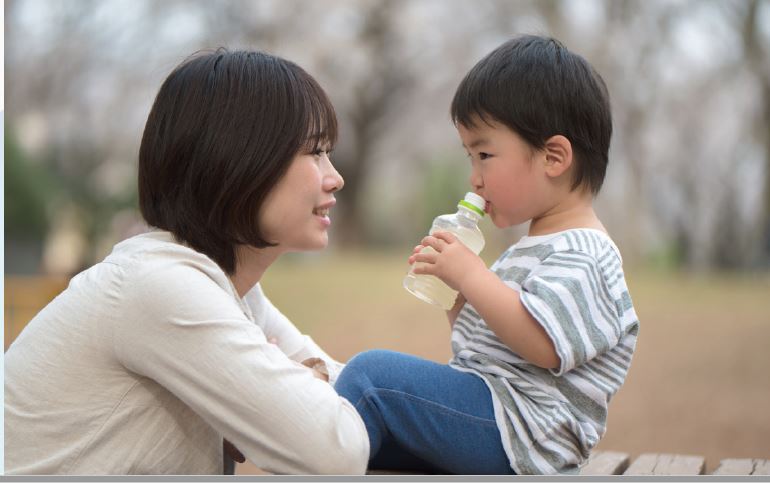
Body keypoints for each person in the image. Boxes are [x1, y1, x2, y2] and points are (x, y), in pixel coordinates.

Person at [4, 49, 369, 475]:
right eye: (315, 151)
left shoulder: (230, 290)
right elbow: (335, 454)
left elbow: (359, 396)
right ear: (239, 160)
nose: (335, 177)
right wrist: (297, 385)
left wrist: (295, 384)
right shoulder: (161, 286)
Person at [334, 35, 640, 475]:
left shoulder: (587, 253)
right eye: (469, 157)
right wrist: (458, 298)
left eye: (484, 154)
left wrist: (471, 275)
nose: (474, 179)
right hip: (497, 417)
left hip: (523, 430)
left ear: (554, 157)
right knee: (370, 438)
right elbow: (488, 346)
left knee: (370, 380)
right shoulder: (533, 247)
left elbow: (543, 346)